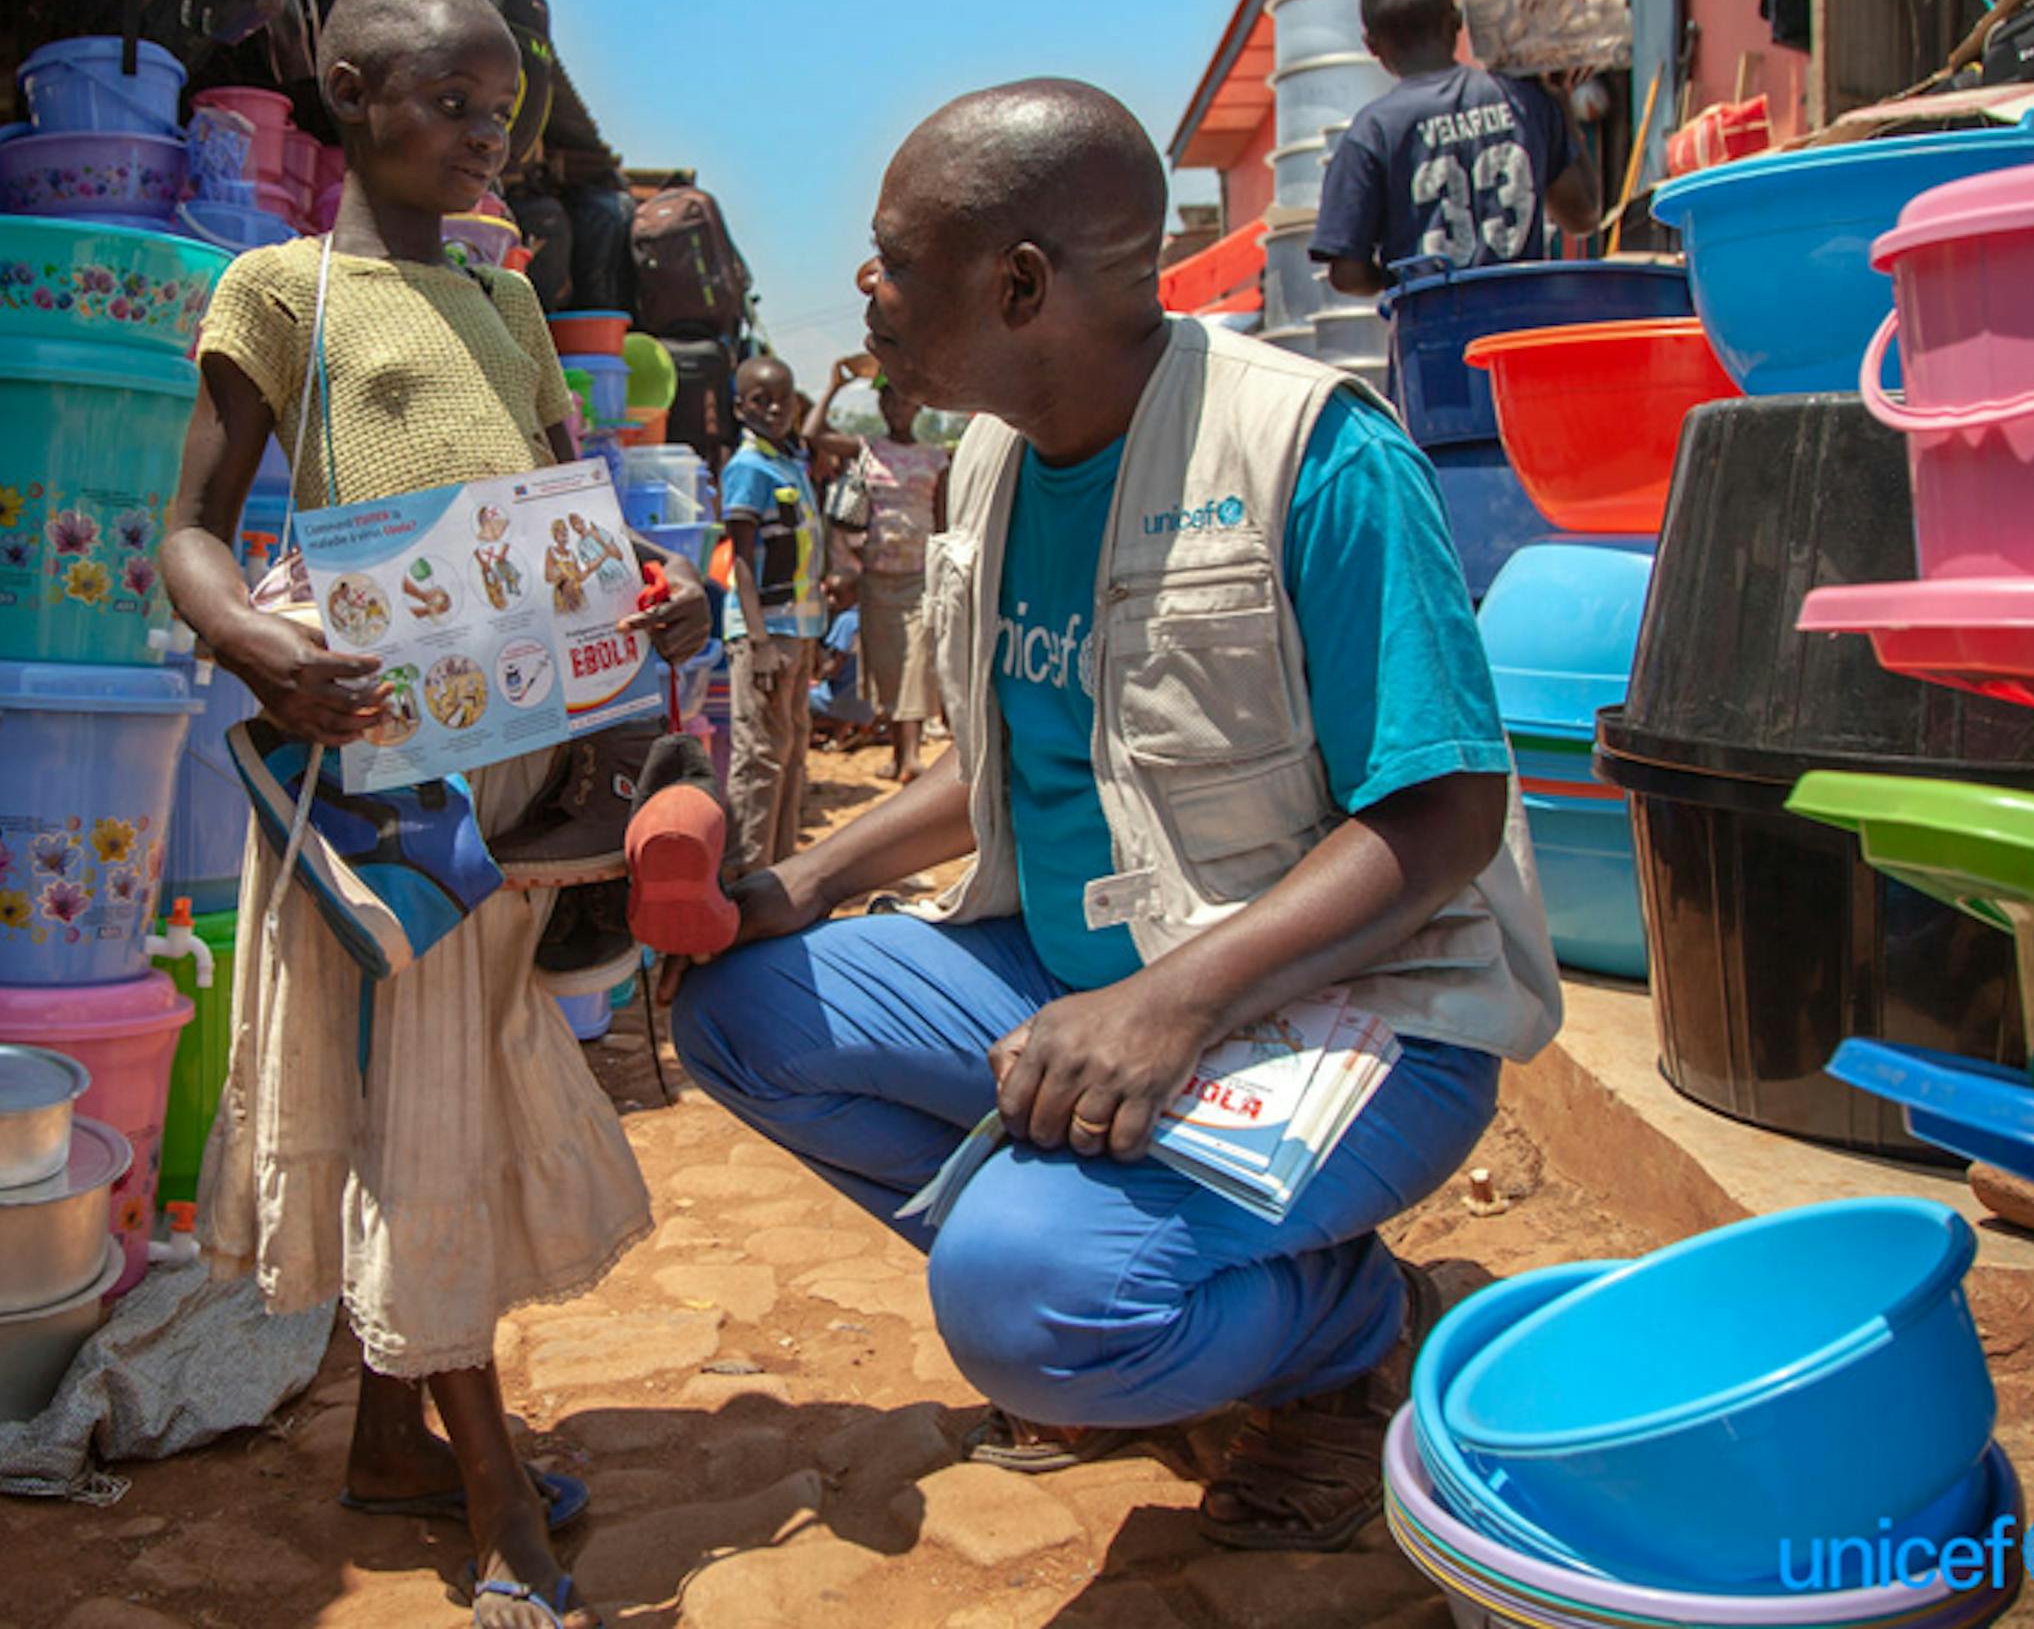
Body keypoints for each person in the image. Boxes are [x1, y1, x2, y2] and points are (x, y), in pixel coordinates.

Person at [666, 80, 1559, 1553]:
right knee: (747, 1012)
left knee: (1023, 1299)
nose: (866, 285)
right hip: (1087, 980)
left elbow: (1449, 812)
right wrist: (806, 880)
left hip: (1356, 1015)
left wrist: (1175, 1001)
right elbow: (1013, 758)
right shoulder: (997, 458)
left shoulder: (1313, 454)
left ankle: (1347, 1341)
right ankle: (1156, 1293)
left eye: (894, 255)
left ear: (1021, 285)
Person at [160, 0, 709, 1629]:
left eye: (503, 114)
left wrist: (653, 595)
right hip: (380, 776)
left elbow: (569, 523)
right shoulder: (279, 291)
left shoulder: (506, 300)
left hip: (520, 767)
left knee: (452, 1078)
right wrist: (254, 641)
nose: (488, 139)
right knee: (432, 1108)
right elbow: (184, 533)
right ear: (346, 92)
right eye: (452, 104)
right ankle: (489, 1509)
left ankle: (398, 1446)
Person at [1310, 0, 1598, 298]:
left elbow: (1347, 273)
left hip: (1430, 335)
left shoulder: (1372, 131)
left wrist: (1401, 278)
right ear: (1457, 22)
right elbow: (1583, 217)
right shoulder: (1525, 101)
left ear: (1371, 45)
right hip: (1518, 325)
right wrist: (1559, 99)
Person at [804, 363, 949, 782]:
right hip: (877, 579)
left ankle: (912, 757)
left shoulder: (936, 458)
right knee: (887, 667)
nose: (898, 407)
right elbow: (813, 434)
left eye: (906, 398)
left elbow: (942, 523)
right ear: (882, 404)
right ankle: (900, 754)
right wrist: (833, 386)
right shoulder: (866, 448)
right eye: (890, 398)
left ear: (917, 406)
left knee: (917, 664)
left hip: (919, 577)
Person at [720, 355, 829, 876]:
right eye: (761, 400)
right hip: (766, 633)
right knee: (760, 755)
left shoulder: (788, 463)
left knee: (790, 749)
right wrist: (758, 639)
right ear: (741, 407)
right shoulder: (748, 468)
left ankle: (781, 873)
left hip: (799, 630)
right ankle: (745, 878)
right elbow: (740, 560)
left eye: (783, 399)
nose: (774, 409)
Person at [809, 567, 878, 746]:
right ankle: (843, 733)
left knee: (801, 697)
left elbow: (834, 668)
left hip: (842, 701)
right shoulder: (871, 617)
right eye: (828, 595)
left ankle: (823, 732)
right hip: (868, 703)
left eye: (836, 595)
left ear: (854, 593)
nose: (831, 601)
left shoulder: (846, 620)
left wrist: (817, 673)